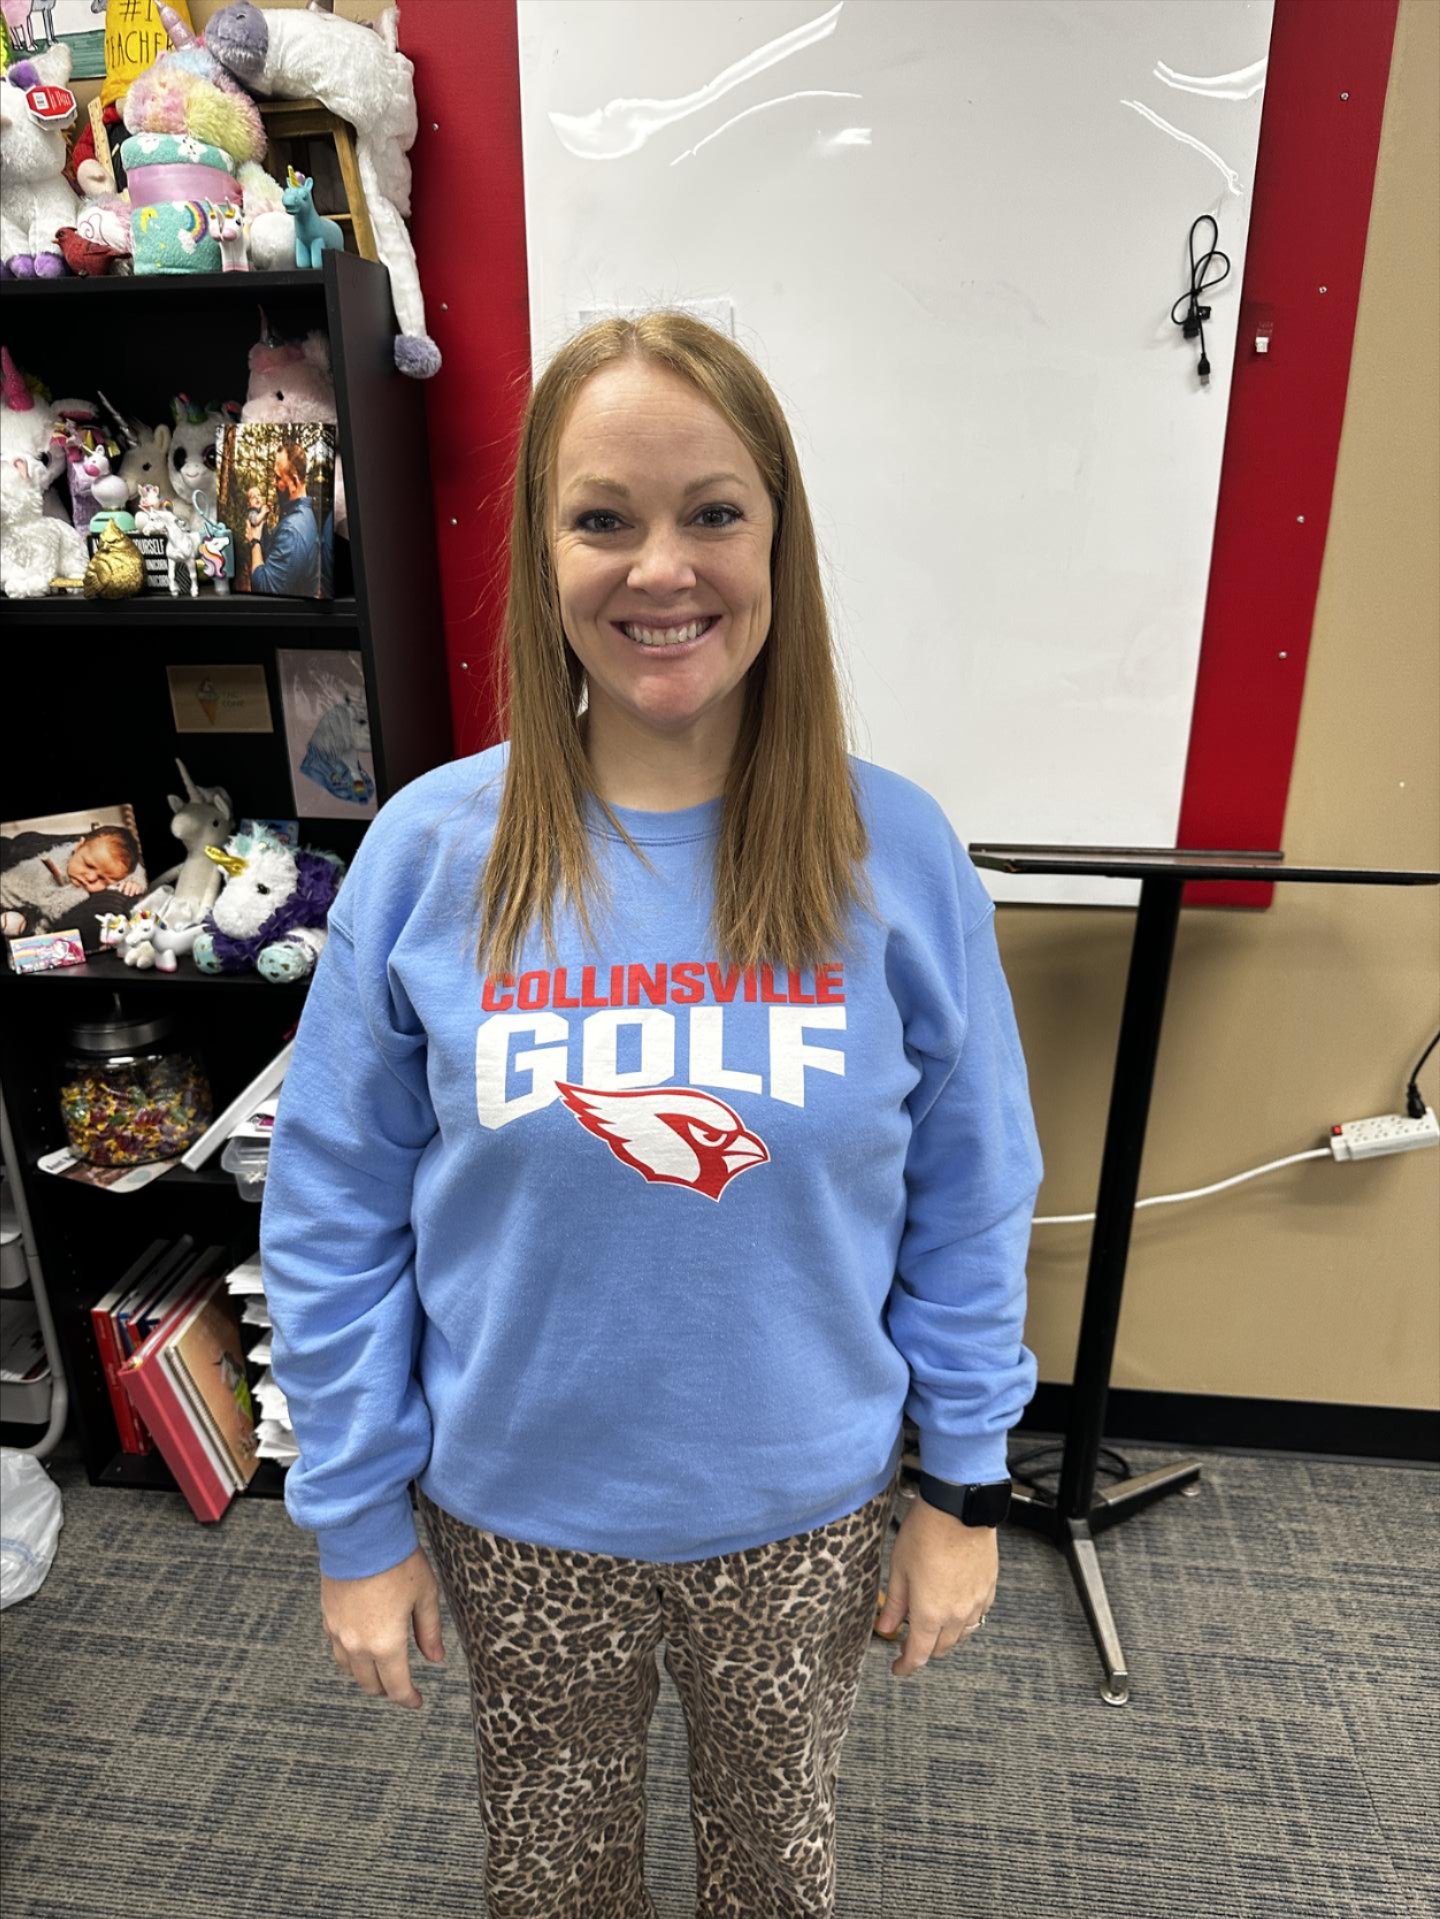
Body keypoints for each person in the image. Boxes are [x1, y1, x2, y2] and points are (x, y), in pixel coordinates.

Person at [259, 312, 1044, 1918]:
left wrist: (963, 1486)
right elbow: (331, 1211)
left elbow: (973, 1200)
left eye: (713, 511)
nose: (661, 567)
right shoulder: (432, 852)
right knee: (554, 1876)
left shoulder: (895, 852)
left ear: (778, 540)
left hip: (802, 1509)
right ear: (543, 550)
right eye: (603, 516)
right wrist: (350, 1512)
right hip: (518, 1508)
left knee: (775, 1871)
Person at [0, 822, 145, 939]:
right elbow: (53, 910)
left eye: (103, 879)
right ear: (78, 846)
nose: (90, 878)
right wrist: (82, 892)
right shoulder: (47, 870)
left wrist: (134, 880)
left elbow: (132, 866)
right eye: (88, 865)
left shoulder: (91, 855)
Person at [248, 442, 321, 596]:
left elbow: (264, 589)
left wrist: (254, 541)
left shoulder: (292, 532)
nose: (274, 483)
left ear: (294, 482)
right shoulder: (299, 515)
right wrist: (262, 525)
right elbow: (273, 550)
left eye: (278, 477)